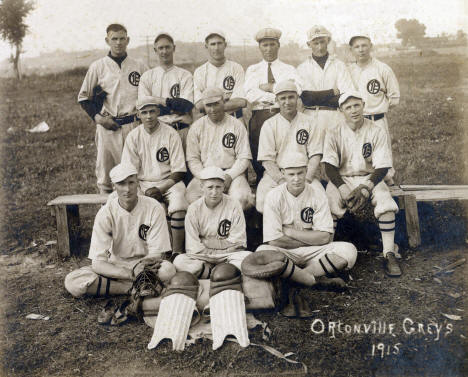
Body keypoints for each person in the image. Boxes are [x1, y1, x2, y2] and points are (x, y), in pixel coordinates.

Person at [64, 163, 175, 298]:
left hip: (146, 265)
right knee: (73, 281)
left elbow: (157, 254)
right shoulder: (106, 213)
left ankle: (135, 284)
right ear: (113, 186)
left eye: (131, 183)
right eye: (121, 184)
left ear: (138, 183)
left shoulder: (153, 207)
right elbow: (98, 262)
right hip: (115, 267)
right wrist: (129, 273)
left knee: (168, 270)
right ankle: (129, 288)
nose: (127, 189)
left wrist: (140, 269)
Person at [322, 91, 401, 276]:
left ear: (363, 105)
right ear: (341, 110)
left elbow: (382, 166)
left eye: (356, 105)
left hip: (370, 178)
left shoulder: (376, 130)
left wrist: (366, 188)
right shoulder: (334, 132)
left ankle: (389, 253)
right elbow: (329, 167)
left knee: (386, 202)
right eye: (348, 107)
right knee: (330, 203)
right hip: (342, 178)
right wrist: (342, 189)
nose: (353, 110)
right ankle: (328, 254)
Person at [257, 153, 357, 287]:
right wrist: (311, 238)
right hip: (288, 252)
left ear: (306, 172)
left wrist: (290, 232)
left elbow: (324, 238)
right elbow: (274, 240)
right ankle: (313, 277)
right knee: (261, 252)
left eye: (300, 173)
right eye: (291, 174)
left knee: (349, 250)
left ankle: (296, 278)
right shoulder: (273, 196)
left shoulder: (317, 194)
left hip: (314, 251)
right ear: (283, 173)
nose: (296, 179)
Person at [78, 24, 148, 194]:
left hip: (134, 124)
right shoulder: (98, 66)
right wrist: (99, 119)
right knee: (105, 176)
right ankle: (107, 217)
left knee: (136, 172)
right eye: (114, 39)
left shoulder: (139, 66)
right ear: (107, 40)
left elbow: (149, 95)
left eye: (122, 38)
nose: (118, 43)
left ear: (128, 40)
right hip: (108, 125)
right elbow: (84, 97)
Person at [121, 96, 188, 255]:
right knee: (128, 205)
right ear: (138, 115)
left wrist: (160, 188)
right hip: (142, 183)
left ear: (158, 111)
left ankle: (177, 253)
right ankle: (145, 250)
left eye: (152, 111)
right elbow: (128, 171)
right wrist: (143, 190)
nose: (149, 116)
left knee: (178, 205)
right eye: (144, 112)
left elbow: (179, 170)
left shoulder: (171, 133)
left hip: (169, 182)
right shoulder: (133, 136)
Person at [256, 80, 324, 214]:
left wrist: (307, 179)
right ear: (277, 100)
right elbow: (267, 160)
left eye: (291, 97)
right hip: (277, 175)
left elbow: (315, 155)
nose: (287, 102)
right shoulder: (269, 124)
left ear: (298, 98)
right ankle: (277, 231)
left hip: (304, 174)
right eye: (283, 98)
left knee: (320, 198)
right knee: (262, 202)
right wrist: (281, 181)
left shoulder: (310, 122)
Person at [244, 27, 302, 183]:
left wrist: (269, 88)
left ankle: (287, 182)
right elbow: (250, 94)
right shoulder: (253, 70)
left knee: (285, 150)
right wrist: (277, 95)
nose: (268, 49)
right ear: (259, 47)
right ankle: (264, 184)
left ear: (278, 45)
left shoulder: (288, 69)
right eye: (265, 45)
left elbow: (297, 89)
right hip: (260, 116)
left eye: (272, 44)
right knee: (261, 155)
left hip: (282, 115)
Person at [173, 167, 252, 279]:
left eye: (218, 187)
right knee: (179, 261)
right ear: (202, 187)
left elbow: (238, 243)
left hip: (228, 255)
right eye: (210, 187)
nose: (214, 192)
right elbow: (193, 247)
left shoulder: (234, 204)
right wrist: (223, 246)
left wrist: (206, 242)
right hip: (202, 256)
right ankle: (221, 273)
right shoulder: (193, 208)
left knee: (247, 258)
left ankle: (209, 272)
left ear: (224, 187)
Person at [185, 87, 254, 211]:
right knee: (191, 196)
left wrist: (229, 176)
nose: (212, 109)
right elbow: (193, 159)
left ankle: (234, 228)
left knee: (241, 198)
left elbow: (244, 157)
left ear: (223, 102)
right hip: (205, 174)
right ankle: (207, 229)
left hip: (232, 173)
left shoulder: (236, 124)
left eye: (216, 104)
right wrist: (205, 176)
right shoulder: (197, 127)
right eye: (208, 105)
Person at [348, 34, 400, 185]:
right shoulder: (348, 70)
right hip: (356, 121)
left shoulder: (382, 68)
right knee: (359, 154)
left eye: (364, 45)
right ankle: (365, 184)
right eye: (357, 47)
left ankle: (388, 183)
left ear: (371, 46)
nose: (361, 50)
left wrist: (378, 108)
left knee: (382, 153)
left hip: (376, 119)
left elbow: (394, 97)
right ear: (351, 50)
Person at [138, 32, 194, 149]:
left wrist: (156, 100)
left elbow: (186, 106)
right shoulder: (147, 76)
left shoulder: (185, 75)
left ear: (174, 48)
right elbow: (145, 107)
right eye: (160, 48)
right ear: (155, 50)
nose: (164, 51)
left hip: (181, 130)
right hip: (156, 131)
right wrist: (174, 105)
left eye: (167, 47)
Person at [297, 25, 354, 132]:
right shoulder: (302, 68)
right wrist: (332, 92)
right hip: (310, 117)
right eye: (315, 43)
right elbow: (306, 99)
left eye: (322, 42)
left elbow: (345, 97)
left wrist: (315, 97)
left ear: (328, 41)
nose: (320, 47)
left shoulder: (339, 65)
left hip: (336, 118)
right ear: (309, 44)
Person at [193, 31, 247, 120]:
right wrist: (227, 100)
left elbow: (241, 102)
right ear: (206, 46)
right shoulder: (200, 72)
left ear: (225, 45)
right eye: (213, 44)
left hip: (234, 118)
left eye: (219, 43)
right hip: (209, 121)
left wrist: (210, 103)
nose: (216, 48)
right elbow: (199, 105)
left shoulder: (236, 68)